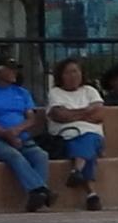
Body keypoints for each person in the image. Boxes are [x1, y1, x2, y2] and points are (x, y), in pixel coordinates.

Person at [0, 57, 51, 211]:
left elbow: (31, 118)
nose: (14, 73)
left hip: (22, 137)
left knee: (41, 155)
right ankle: (41, 191)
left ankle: (37, 195)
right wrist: (6, 135)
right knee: (14, 155)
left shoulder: (22, 93)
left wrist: (17, 131)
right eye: (10, 69)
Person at [45, 58, 106, 211]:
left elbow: (99, 115)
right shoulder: (55, 93)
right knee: (84, 148)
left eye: (75, 71)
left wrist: (71, 115)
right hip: (66, 137)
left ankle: (77, 170)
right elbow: (59, 115)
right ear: (61, 76)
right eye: (68, 72)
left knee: (87, 139)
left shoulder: (90, 91)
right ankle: (91, 193)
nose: (73, 76)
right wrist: (86, 112)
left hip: (93, 136)